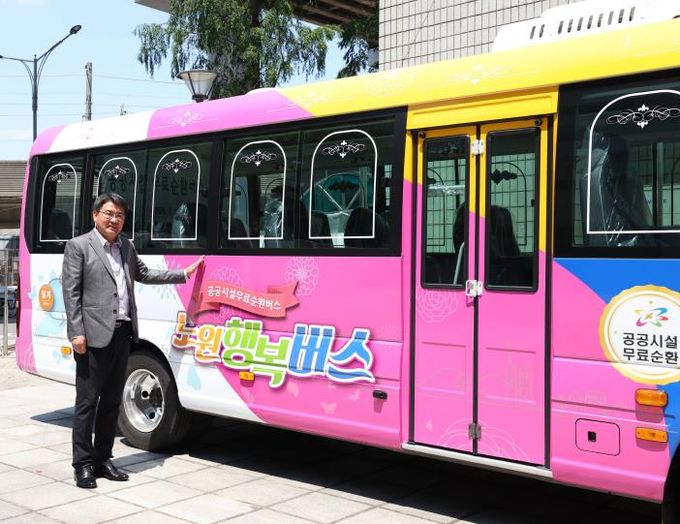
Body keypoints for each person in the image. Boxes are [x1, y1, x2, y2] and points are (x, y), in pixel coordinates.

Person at [62, 193, 204, 489]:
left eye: (120, 215)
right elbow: (71, 292)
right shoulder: (79, 246)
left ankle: (103, 459)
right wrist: (76, 332)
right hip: (92, 336)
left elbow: (144, 273)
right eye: (109, 213)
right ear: (95, 215)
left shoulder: (126, 246)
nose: (114, 220)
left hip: (123, 333)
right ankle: (83, 464)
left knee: (112, 402)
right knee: (87, 403)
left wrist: (182, 274)